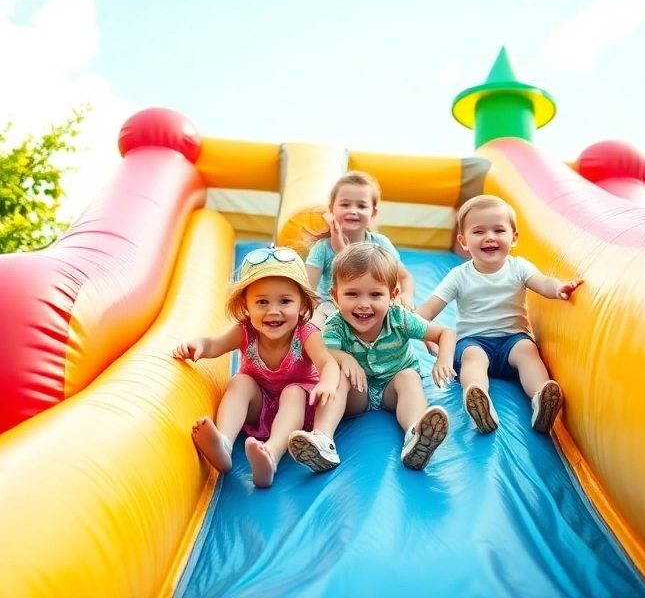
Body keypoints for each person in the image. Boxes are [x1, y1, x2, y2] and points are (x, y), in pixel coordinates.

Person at [172, 246, 340, 488]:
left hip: (296, 412)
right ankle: (224, 443)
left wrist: (327, 382)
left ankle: (271, 454)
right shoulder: (245, 331)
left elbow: (328, 363)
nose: (273, 311)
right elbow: (214, 344)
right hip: (259, 407)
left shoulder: (305, 333)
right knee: (240, 381)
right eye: (262, 302)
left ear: (302, 305)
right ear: (246, 305)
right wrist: (198, 345)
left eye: (285, 301)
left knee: (293, 391)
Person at [418, 195, 583, 435]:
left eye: (499, 230)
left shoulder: (519, 267)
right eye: (479, 232)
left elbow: (543, 283)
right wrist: (414, 328)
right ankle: (478, 401)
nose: (490, 237)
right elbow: (427, 311)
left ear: (513, 237)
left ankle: (541, 398)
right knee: (473, 358)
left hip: (512, 340)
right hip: (473, 341)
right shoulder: (459, 275)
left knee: (528, 351)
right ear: (464, 241)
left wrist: (558, 289)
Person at [287, 241, 453, 472]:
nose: (363, 305)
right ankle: (322, 439)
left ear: (393, 295)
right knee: (338, 377)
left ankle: (416, 435)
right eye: (352, 294)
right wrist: (345, 358)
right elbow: (324, 353)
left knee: (408, 377)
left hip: (392, 390)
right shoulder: (336, 325)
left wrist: (443, 360)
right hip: (358, 393)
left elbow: (446, 333)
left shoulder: (400, 318)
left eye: (375, 294)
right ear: (334, 296)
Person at [305, 171, 416, 328]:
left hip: (368, 308)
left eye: (361, 206)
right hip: (330, 308)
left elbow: (405, 277)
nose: (353, 210)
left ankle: (428, 340)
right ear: (331, 210)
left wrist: (407, 295)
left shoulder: (380, 244)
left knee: (401, 314)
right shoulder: (323, 248)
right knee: (312, 323)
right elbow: (307, 289)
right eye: (345, 204)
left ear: (373, 212)